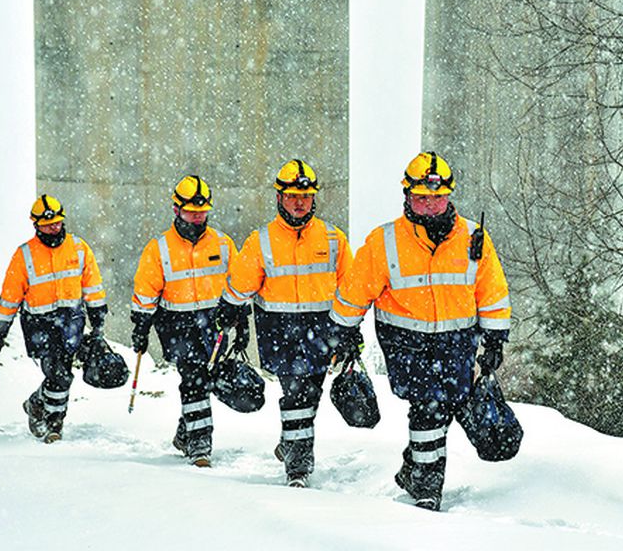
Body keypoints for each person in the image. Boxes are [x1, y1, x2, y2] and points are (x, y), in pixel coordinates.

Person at [329, 151, 511, 510]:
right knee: (428, 409)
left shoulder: (474, 238)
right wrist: (344, 331)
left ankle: (413, 469)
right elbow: (354, 291)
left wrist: (494, 338)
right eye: (422, 198)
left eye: (437, 197)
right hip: (406, 345)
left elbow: (492, 292)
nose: (430, 205)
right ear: (408, 196)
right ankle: (428, 491)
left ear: (449, 196)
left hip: (457, 343)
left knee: (443, 408)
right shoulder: (384, 242)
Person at [216, 159, 354, 487]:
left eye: (304, 195)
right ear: (279, 197)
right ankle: (298, 466)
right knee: (296, 392)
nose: (298, 201)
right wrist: (229, 308)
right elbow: (241, 283)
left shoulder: (333, 239)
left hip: (322, 329)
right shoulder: (261, 240)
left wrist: (351, 328)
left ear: (313, 198)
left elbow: (351, 286)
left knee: (312, 393)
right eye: (291, 195)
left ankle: (290, 442)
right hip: (279, 329)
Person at [131, 174, 238, 467]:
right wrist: (141, 325)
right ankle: (200, 446)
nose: (197, 218)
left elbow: (238, 285)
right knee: (193, 379)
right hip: (176, 324)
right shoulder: (159, 248)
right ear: (176, 210)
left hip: (215, 324)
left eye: (203, 212)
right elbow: (145, 290)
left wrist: (241, 323)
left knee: (207, 380)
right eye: (192, 212)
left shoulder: (224, 244)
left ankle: (186, 431)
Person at [0, 195, 107, 443]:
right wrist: (0, 328)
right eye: (47, 224)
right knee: (58, 374)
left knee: (62, 372)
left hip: (71, 322)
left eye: (56, 223)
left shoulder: (79, 248)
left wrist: (97, 316)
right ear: (36, 225)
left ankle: (39, 405)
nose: (53, 228)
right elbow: (10, 296)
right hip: (38, 325)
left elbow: (93, 285)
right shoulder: (24, 255)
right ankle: (54, 424)